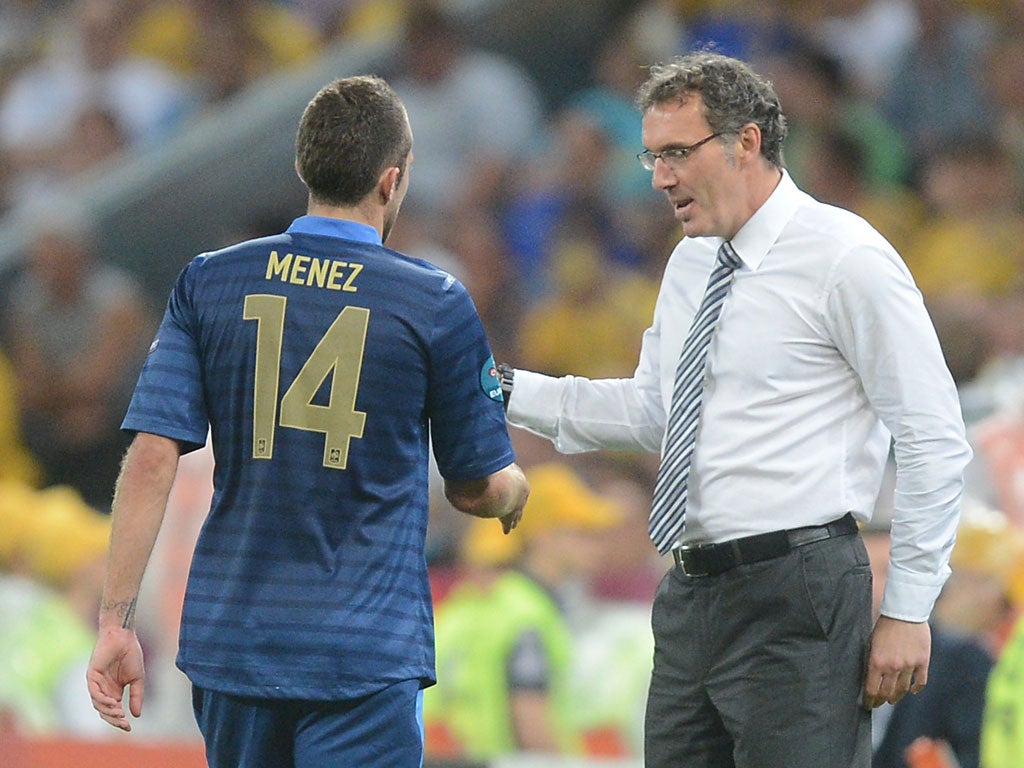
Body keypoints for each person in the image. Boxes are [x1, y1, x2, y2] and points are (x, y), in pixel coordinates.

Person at [499, 51, 972, 768]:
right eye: (653, 157)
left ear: (746, 142)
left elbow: (934, 435)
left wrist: (908, 608)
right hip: (691, 591)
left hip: (799, 589)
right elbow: (656, 412)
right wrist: (500, 390)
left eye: (678, 154)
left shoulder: (847, 258)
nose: (660, 179)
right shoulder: (691, 262)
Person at [85, 75, 530, 768]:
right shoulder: (432, 302)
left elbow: (151, 456)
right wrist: (513, 493)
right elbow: (475, 484)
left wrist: (115, 623)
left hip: (235, 644)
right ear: (393, 180)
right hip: (364, 649)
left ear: (303, 167)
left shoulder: (211, 281)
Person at [423, 462, 622, 761]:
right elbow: (532, 723)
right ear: (543, 536)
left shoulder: (488, 602)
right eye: (582, 532)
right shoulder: (529, 613)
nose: (597, 546)